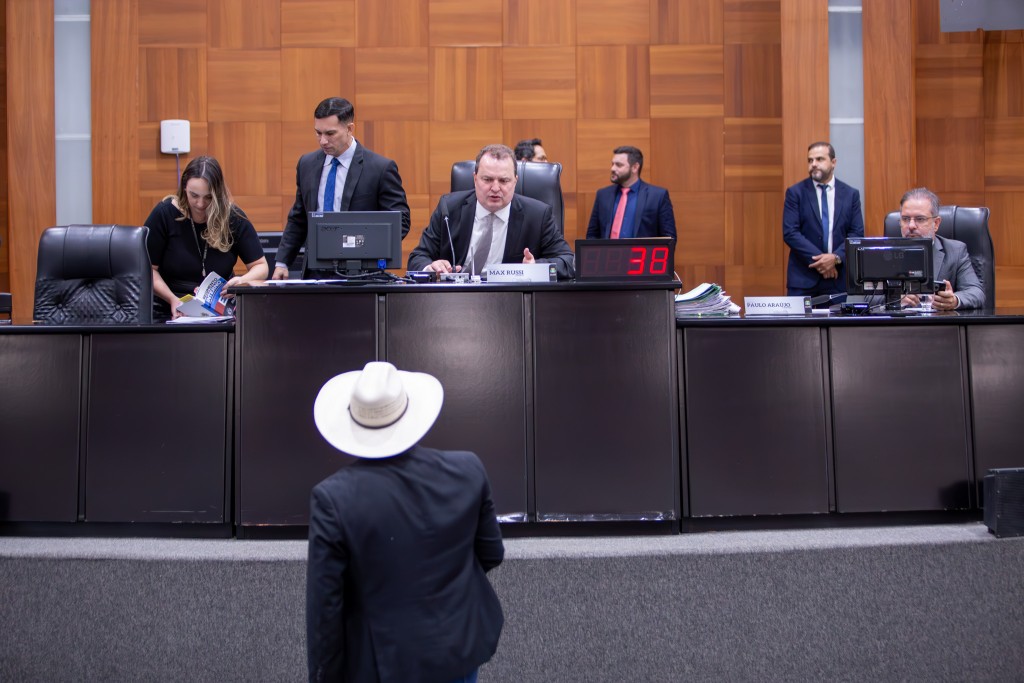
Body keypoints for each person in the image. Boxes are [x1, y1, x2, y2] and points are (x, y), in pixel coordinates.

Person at [307, 361, 505, 683]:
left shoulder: (333, 499)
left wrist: (323, 676)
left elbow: (325, 609)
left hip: (385, 663)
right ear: (409, 413)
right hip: (460, 648)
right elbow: (492, 553)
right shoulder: (469, 470)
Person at [272, 97, 411, 279]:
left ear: (349, 129)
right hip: (314, 273)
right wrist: (282, 262)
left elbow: (400, 221)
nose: (323, 141)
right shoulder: (306, 164)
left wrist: (362, 247)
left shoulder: (380, 168)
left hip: (361, 275)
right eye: (318, 133)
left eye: (330, 133)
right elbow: (299, 218)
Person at [408, 144, 575, 279]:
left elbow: (568, 262)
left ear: (515, 181)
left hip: (512, 301)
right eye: (487, 179)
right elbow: (417, 258)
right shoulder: (449, 209)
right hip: (455, 300)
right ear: (475, 179)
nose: (495, 188)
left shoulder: (538, 215)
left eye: (504, 180)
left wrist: (535, 267)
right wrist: (431, 268)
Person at [144, 155, 267, 319]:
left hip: (218, 311)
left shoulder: (233, 218)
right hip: (169, 308)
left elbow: (261, 266)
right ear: (184, 187)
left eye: (208, 197)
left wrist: (242, 281)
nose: (200, 204)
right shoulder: (164, 214)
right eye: (194, 195)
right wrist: (172, 299)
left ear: (218, 194)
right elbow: (147, 270)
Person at [782, 142, 865, 297]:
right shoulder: (795, 193)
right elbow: (790, 233)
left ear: (833, 162)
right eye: (810, 160)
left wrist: (835, 258)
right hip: (803, 278)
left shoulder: (850, 194)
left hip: (837, 278)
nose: (813, 164)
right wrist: (823, 262)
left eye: (819, 159)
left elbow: (856, 234)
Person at [898, 188, 985, 311]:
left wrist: (954, 300)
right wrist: (894, 298)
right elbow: (871, 296)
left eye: (920, 219)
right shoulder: (886, 252)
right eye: (906, 219)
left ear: (936, 223)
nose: (911, 226)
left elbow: (976, 292)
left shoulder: (956, 251)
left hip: (938, 320)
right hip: (898, 322)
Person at [585, 145, 676, 242]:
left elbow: (669, 239)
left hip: (642, 252)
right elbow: (592, 235)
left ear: (635, 167)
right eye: (612, 164)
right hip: (608, 252)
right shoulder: (603, 195)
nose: (612, 168)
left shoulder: (657, 196)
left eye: (619, 165)